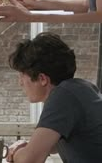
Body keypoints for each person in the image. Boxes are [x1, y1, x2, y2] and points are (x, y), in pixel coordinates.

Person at [6, 32, 102, 163]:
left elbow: (30, 160)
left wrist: (17, 152)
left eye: (22, 75)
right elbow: (54, 144)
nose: (20, 82)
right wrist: (29, 147)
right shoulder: (83, 88)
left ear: (42, 79)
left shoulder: (63, 96)